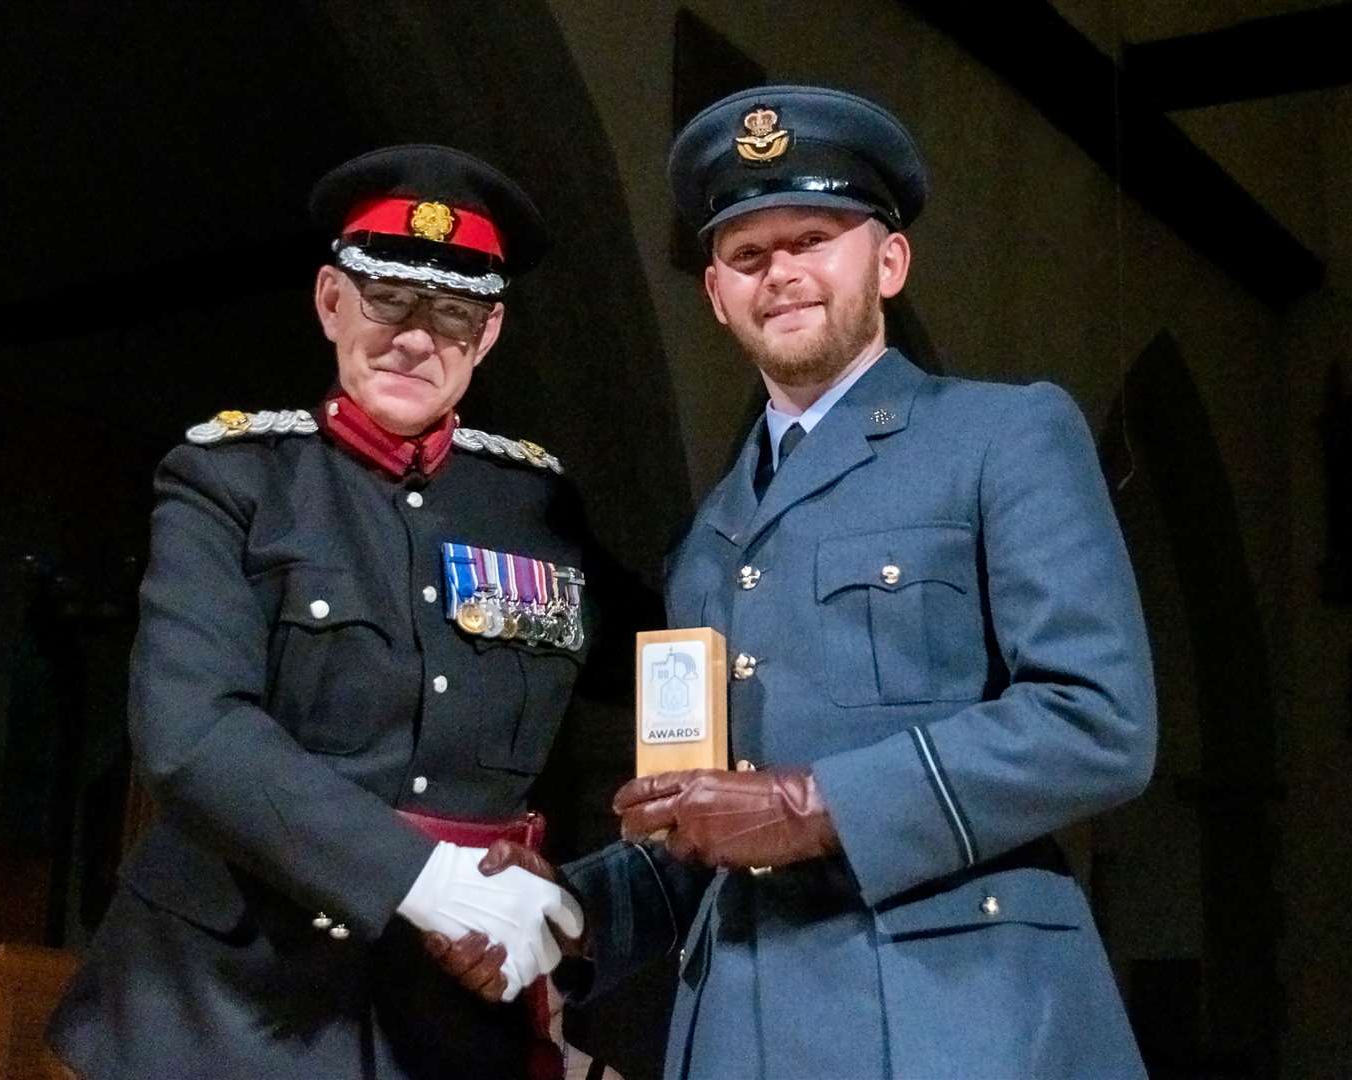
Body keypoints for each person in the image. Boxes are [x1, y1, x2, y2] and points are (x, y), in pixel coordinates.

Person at [459, 85, 1158, 1078]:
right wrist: (572, 910)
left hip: (958, 1021)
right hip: (741, 1027)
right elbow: (712, 830)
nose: (779, 273)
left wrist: (813, 805)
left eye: (812, 238)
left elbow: (1098, 724)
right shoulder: (708, 541)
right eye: (747, 255)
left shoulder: (1001, 437)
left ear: (888, 261)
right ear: (714, 292)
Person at [46, 144, 591, 1080]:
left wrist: (563, 903)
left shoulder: (535, 506)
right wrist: (419, 879)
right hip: (225, 1001)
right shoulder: (231, 478)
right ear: (332, 302)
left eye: (452, 313)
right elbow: (190, 734)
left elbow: (584, 742)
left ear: (488, 334)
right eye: (387, 299)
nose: (416, 337)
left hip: (450, 1014)